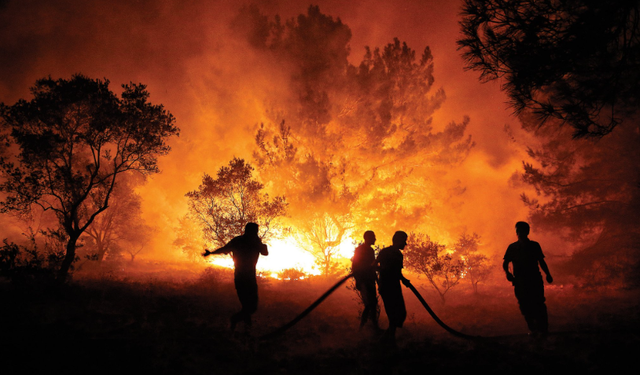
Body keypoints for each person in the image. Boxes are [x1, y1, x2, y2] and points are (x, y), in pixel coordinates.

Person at [203, 222, 268, 331]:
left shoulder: (239, 241)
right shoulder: (251, 242)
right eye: (255, 231)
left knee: (247, 307)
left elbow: (225, 249)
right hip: (245, 278)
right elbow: (265, 252)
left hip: (243, 277)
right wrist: (211, 253)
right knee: (251, 307)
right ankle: (235, 321)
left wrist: (211, 253)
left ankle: (245, 330)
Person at [503, 221, 553, 338]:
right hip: (520, 281)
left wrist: (548, 274)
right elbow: (505, 263)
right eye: (518, 231)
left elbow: (541, 261)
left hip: (534, 279)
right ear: (516, 232)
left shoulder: (534, 246)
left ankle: (543, 329)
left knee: (538, 303)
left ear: (527, 232)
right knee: (524, 305)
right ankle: (533, 328)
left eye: (521, 231)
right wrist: (508, 273)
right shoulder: (512, 247)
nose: (519, 233)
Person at [376, 231, 410, 344]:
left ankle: (388, 338)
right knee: (396, 314)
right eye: (404, 241)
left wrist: (404, 280)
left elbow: (397, 272)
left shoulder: (393, 253)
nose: (405, 244)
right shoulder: (393, 254)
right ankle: (388, 340)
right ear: (397, 240)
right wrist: (383, 273)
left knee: (398, 313)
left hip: (391, 286)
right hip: (389, 287)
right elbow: (374, 265)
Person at [352, 230, 380, 331]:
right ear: (367, 238)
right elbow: (355, 266)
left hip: (370, 280)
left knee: (373, 304)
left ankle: (373, 327)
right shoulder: (360, 250)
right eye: (373, 237)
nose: (375, 239)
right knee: (370, 304)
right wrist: (359, 281)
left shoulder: (371, 251)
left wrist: (377, 280)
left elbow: (373, 267)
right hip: (364, 281)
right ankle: (362, 327)